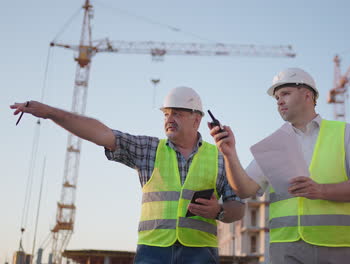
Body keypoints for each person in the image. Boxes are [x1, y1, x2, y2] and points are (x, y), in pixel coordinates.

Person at [11, 86, 245, 264]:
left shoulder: (220, 156)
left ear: (197, 119)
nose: (169, 119)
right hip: (153, 252)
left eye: (177, 114)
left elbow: (239, 208)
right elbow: (100, 133)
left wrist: (219, 211)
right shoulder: (149, 149)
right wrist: (50, 112)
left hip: (200, 254)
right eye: (166, 114)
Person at [209, 68, 350, 264]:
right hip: (286, 248)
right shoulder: (272, 144)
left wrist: (321, 190)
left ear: (307, 94)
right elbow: (243, 190)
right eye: (276, 98)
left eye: (285, 94)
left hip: (338, 247)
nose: (279, 101)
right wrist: (229, 154)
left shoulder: (345, 133)